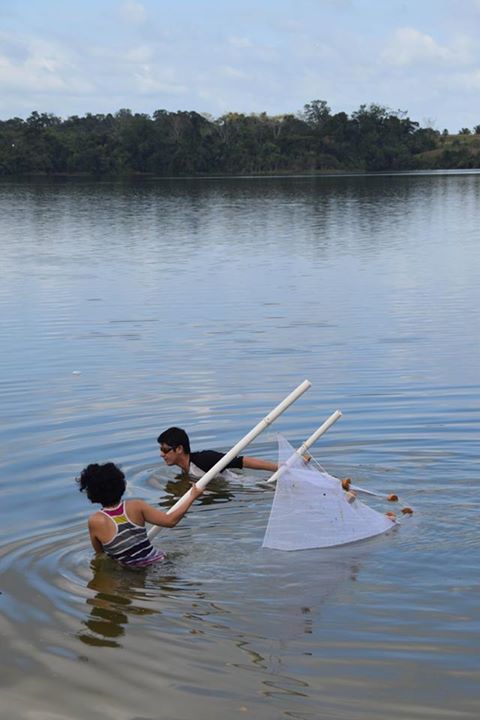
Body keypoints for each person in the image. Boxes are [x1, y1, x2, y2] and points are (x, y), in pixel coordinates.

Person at [77, 462, 203, 568]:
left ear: (92, 492)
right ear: (121, 484)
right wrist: (192, 496)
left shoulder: (96, 521)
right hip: (160, 561)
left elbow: (101, 555)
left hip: (134, 572)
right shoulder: (136, 506)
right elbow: (170, 521)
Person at [157, 426, 279, 479]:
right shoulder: (184, 469)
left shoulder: (204, 459)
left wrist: (278, 467)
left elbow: (240, 461)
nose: (161, 454)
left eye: (165, 450)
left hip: (245, 486)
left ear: (179, 449)